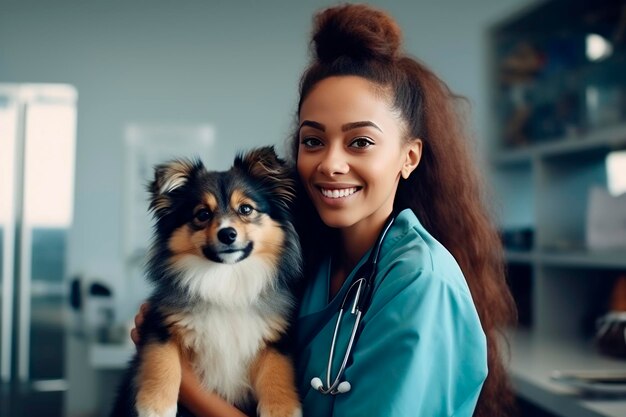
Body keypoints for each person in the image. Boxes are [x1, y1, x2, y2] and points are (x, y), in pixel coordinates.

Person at [131, 4, 516, 417]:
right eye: (313, 141)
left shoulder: (420, 284)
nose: (330, 164)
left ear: (409, 156)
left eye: (360, 142)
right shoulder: (313, 260)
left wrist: (188, 389)